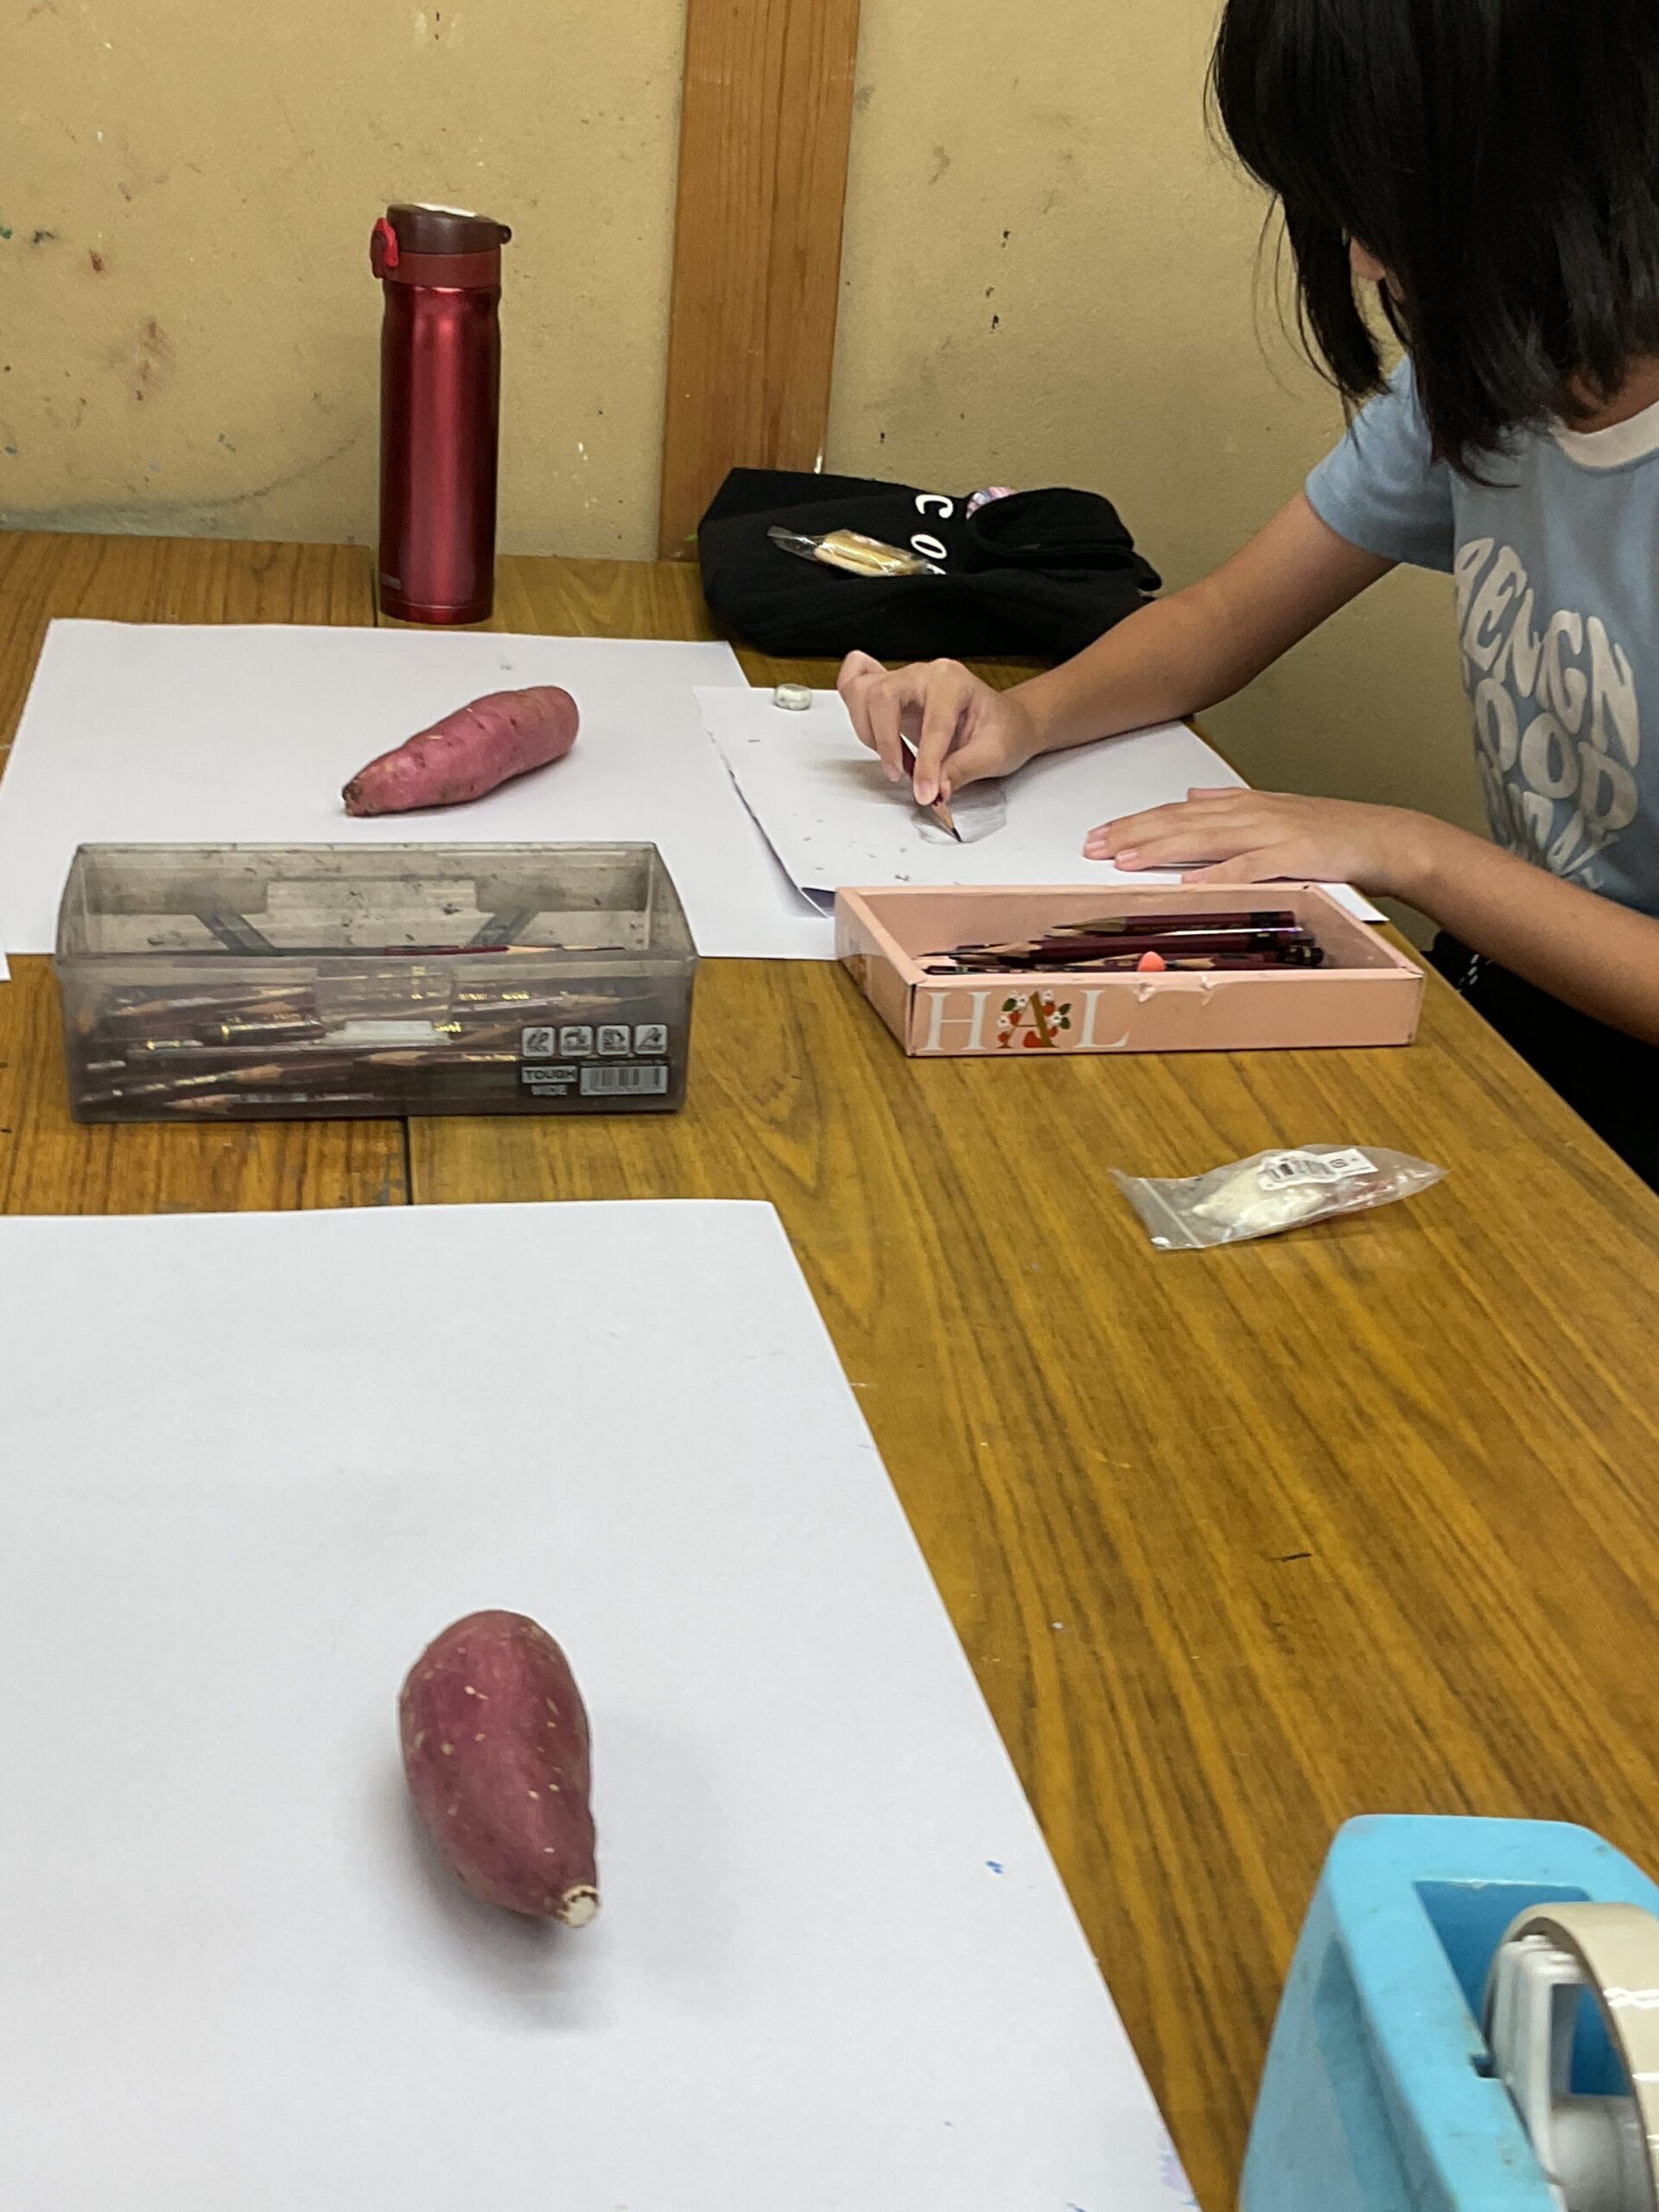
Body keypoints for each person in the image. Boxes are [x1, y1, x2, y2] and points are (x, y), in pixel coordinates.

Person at [837, 0, 1659, 1187]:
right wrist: (1022, 717)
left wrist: (1411, 850)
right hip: (1526, 1007)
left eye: (1384, 193)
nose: (1363, 258)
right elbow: (1221, 622)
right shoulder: (1492, 371)